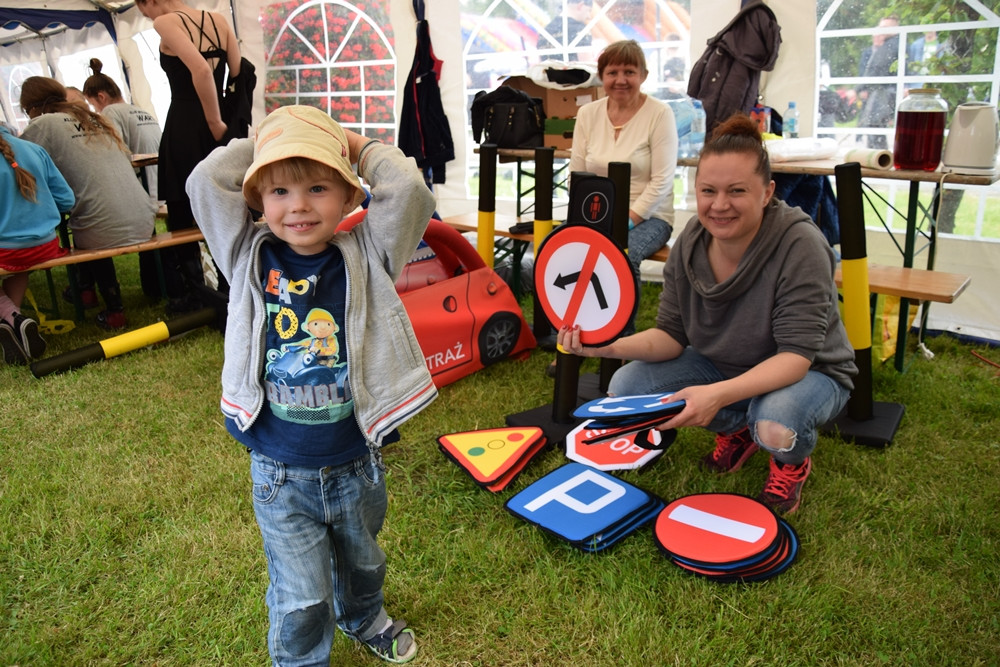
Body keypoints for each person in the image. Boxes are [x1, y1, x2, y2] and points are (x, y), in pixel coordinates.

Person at [187, 105, 438, 665]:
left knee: (364, 563)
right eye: (277, 191)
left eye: (318, 187)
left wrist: (353, 144)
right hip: (280, 471)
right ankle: (300, 660)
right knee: (300, 596)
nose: (297, 205)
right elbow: (204, 181)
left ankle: (364, 616)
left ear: (350, 197)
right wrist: (268, 143)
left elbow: (411, 193)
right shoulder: (245, 253)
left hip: (356, 463)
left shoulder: (368, 254)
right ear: (257, 200)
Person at [557, 113, 858, 515]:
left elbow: (796, 357)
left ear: (767, 191)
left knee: (776, 424)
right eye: (708, 191)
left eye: (737, 191)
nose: (719, 205)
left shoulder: (800, 243)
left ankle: (787, 458)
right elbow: (670, 335)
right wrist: (604, 348)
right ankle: (738, 429)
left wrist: (715, 396)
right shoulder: (689, 245)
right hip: (726, 362)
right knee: (626, 387)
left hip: (810, 371)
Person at [19, 76, 157, 330]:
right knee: (90, 211)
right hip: (145, 218)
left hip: (103, 227)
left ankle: (111, 307)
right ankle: (84, 291)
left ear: (32, 108)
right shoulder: (96, 118)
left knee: (87, 219)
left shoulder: (43, 124)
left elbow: (20, 159)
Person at [134, 0, 243, 313]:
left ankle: (195, 294)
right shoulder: (219, 21)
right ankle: (229, 286)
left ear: (149, 2)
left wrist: (213, 121)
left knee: (181, 209)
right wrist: (227, 122)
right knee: (225, 203)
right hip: (221, 122)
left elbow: (200, 71)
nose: (149, 18)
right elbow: (237, 73)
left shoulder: (166, 23)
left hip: (187, 122)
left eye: (146, 12)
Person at [569, 39, 677, 275]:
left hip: (650, 217)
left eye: (629, 72)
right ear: (601, 76)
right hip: (597, 213)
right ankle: (577, 310)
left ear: (644, 75)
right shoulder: (587, 114)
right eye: (612, 72)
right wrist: (589, 217)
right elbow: (575, 175)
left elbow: (662, 181)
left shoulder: (660, 114)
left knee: (623, 257)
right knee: (566, 251)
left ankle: (621, 313)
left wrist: (627, 220)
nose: (620, 80)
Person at [0, 122, 75, 364]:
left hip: (6, 250)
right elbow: (67, 199)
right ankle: (15, 322)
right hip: (44, 245)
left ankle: (8, 317)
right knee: (18, 259)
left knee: (11, 254)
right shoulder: (34, 149)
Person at [83, 58, 162, 201]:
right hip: (162, 185)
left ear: (101, 97)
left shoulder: (110, 111)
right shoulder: (139, 110)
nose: (95, 110)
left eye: (92, 105)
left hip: (144, 192)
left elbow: (113, 152)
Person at [857, 15, 900, 149]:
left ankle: (878, 157)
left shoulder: (892, 46)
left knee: (874, 125)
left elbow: (876, 70)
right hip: (881, 93)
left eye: (883, 27)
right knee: (874, 126)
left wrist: (858, 89)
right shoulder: (889, 45)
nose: (879, 30)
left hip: (884, 93)